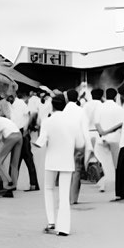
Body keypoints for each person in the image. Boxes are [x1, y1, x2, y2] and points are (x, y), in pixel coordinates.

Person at [34, 94, 85, 237]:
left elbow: (41, 141)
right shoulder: (73, 122)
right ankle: (64, 228)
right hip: (67, 162)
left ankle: (51, 223)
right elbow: (80, 144)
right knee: (64, 194)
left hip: (51, 161)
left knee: (49, 189)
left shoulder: (47, 121)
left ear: (53, 106)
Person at [64, 89, 93, 204]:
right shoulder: (81, 111)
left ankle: (66, 197)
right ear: (77, 98)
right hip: (79, 143)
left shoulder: (63, 112)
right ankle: (73, 198)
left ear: (67, 98)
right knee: (76, 171)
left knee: (66, 170)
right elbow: (85, 130)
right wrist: (89, 145)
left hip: (66, 143)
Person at [95, 88, 124, 193]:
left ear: (105, 96)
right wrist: (109, 131)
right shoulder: (119, 108)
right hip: (115, 139)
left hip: (101, 139)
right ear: (116, 96)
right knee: (116, 163)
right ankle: (118, 185)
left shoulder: (100, 107)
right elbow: (122, 123)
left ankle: (104, 183)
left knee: (104, 162)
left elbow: (96, 123)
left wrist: (103, 132)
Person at [12, 92, 40, 191]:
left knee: (27, 158)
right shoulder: (8, 105)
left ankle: (33, 184)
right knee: (17, 160)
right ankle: (13, 184)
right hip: (15, 133)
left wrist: (25, 129)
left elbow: (29, 115)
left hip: (22, 133)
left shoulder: (20, 103)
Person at [83, 89, 104, 190]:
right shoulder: (102, 105)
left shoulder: (86, 105)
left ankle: (86, 174)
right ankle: (100, 176)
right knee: (100, 156)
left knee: (87, 155)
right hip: (98, 132)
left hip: (87, 131)